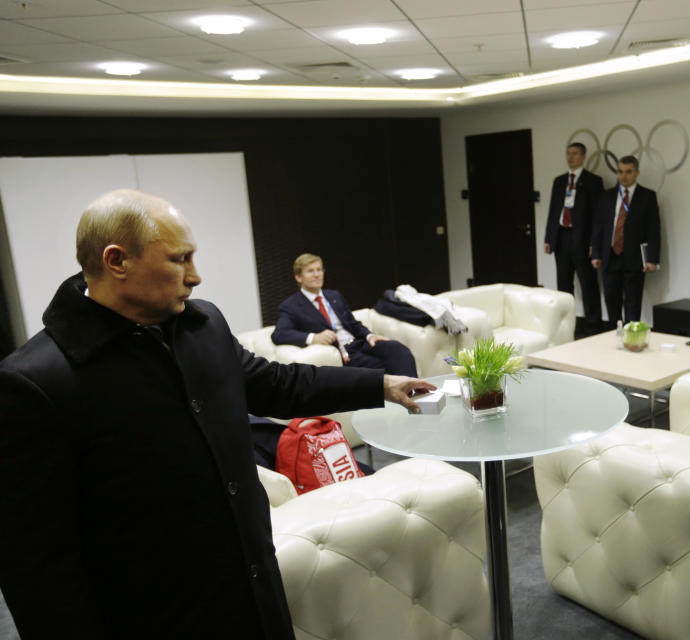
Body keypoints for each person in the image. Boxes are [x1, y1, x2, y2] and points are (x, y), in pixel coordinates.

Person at [0, 189, 432, 640]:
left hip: (254, 597)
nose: (196, 276)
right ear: (116, 261)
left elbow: (274, 384)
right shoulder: (33, 383)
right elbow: (37, 571)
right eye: (179, 259)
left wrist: (378, 383)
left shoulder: (202, 325)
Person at [271, 254, 417, 377]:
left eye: (319, 270)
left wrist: (369, 336)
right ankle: (412, 402)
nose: (317, 275)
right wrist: (313, 338)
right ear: (298, 277)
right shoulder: (291, 306)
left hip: (360, 343)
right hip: (344, 354)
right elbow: (279, 334)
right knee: (383, 369)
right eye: (310, 271)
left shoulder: (334, 295)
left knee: (399, 350)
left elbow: (352, 323)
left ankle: (419, 398)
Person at [591, 156, 661, 325]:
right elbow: (599, 226)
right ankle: (614, 338)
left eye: (628, 172)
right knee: (612, 302)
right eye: (620, 172)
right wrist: (596, 254)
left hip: (634, 259)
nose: (624, 176)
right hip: (610, 257)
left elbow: (654, 229)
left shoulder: (647, 196)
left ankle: (632, 340)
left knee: (633, 304)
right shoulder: (607, 196)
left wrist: (653, 259)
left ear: (636, 173)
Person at [543, 142, 604, 332]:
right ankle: (566, 326)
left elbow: (598, 215)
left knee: (588, 283)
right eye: (568, 153)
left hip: (583, 239)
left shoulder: (593, 181)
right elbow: (554, 210)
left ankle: (594, 325)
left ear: (584, 156)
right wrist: (549, 238)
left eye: (575, 154)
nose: (571, 157)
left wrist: (595, 243)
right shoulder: (559, 181)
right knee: (563, 284)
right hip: (562, 237)